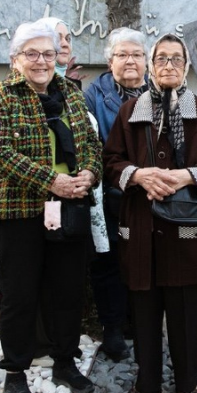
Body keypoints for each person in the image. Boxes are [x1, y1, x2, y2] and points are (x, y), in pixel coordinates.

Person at [103, 33, 197, 393]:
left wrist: (186, 176)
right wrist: (138, 175)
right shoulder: (130, 113)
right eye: (162, 59)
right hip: (142, 226)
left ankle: (187, 385)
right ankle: (146, 385)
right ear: (150, 65)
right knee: (143, 312)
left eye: (176, 60)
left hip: (188, 231)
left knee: (185, 313)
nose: (168, 67)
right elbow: (110, 162)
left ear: (187, 66)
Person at [0, 19, 103, 393]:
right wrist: (51, 180)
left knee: (66, 290)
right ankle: (15, 373)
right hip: (20, 210)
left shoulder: (70, 93)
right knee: (19, 293)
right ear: (15, 60)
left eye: (48, 54)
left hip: (71, 208)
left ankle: (64, 362)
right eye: (31, 54)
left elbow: (92, 144)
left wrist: (89, 175)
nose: (41, 61)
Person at [83, 27, 151, 361]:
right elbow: (90, 145)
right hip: (110, 193)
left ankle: (141, 325)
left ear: (146, 61)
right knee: (109, 262)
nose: (130, 61)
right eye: (122, 55)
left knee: (147, 261)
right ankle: (112, 329)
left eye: (136, 55)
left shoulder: (162, 92)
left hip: (152, 195)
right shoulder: (94, 95)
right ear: (110, 61)